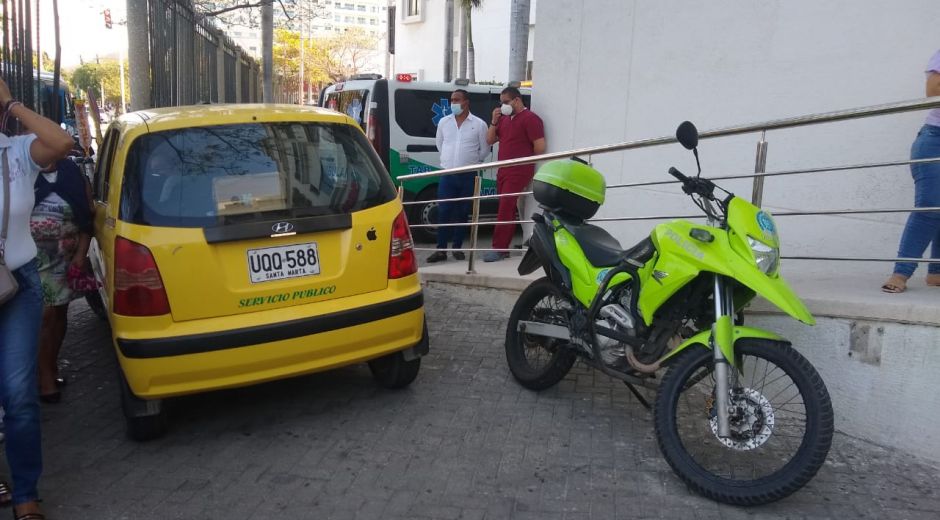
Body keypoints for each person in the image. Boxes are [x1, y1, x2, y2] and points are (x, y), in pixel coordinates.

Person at [0, 76, 75, 520]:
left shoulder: (16, 153)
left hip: (19, 284)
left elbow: (62, 141)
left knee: (18, 393)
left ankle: (27, 492)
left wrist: (12, 105)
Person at [31, 158, 95, 403]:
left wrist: (81, 253)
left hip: (66, 259)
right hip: (32, 260)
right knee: (45, 316)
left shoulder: (70, 171)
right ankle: (44, 378)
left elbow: (86, 212)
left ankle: (50, 366)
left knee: (59, 315)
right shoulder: (22, 169)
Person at [882, 50, 940, 293]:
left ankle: (936, 273)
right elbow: (933, 90)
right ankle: (901, 273)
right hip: (935, 138)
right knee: (929, 206)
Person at [427, 89, 490, 263]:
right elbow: (440, 143)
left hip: (467, 175)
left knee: (462, 212)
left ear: (466, 102)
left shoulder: (478, 124)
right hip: (447, 174)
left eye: (457, 100)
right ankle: (441, 250)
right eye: (451, 100)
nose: (453, 103)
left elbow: (484, 150)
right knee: (443, 211)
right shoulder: (444, 122)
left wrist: (469, 162)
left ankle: (457, 247)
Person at [484, 86, 545, 262]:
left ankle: (500, 248)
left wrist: (523, 161)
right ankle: (504, 247)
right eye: (501, 102)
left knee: (505, 206)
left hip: (519, 170)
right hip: (503, 171)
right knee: (506, 208)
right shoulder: (503, 120)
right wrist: (494, 122)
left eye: (506, 102)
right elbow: (489, 140)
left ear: (517, 101)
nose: (503, 106)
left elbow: (540, 147)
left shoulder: (531, 119)